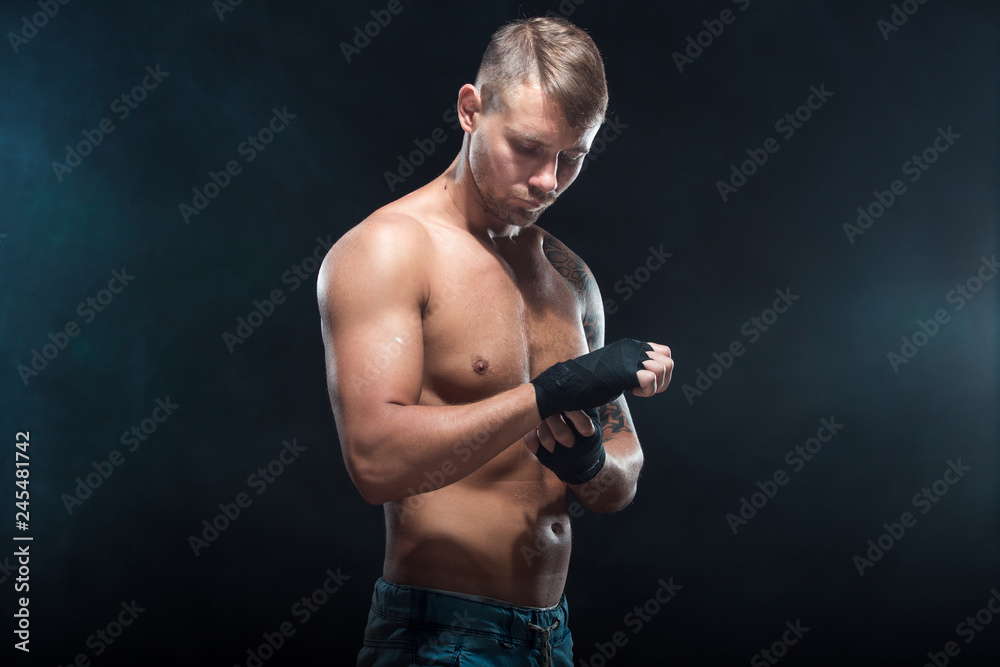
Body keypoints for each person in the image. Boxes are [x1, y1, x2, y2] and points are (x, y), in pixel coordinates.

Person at [317, 15, 673, 667]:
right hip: (438, 636)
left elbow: (624, 473)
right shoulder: (389, 250)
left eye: (573, 157)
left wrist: (590, 464)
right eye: (529, 147)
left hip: (550, 636)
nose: (547, 180)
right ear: (470, 109)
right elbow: (373, 462)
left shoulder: (571, 277)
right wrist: (545, 396)